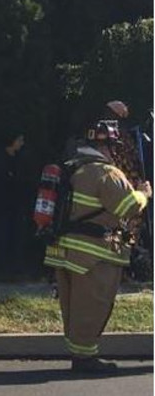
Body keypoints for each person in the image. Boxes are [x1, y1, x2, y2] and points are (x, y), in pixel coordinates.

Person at [43, 120, 151, 374]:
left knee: (73, 307)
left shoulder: (73, 169)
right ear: (106, 147)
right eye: (114, 147)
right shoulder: (106, 173)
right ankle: (85, 361)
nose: (115, 152)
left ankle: (79, 354)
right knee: (92, 306)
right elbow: (128, 208)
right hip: (92, 256)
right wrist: (144, 194)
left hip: (66, 252)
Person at [0, 132, 29, 277]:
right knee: (1, 237)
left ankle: (15, 268)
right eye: (19, 140)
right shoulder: (0, 159)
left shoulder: (19, 159)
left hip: (17, 205)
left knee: (17, 237)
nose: (22, 143)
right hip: (2, 205)